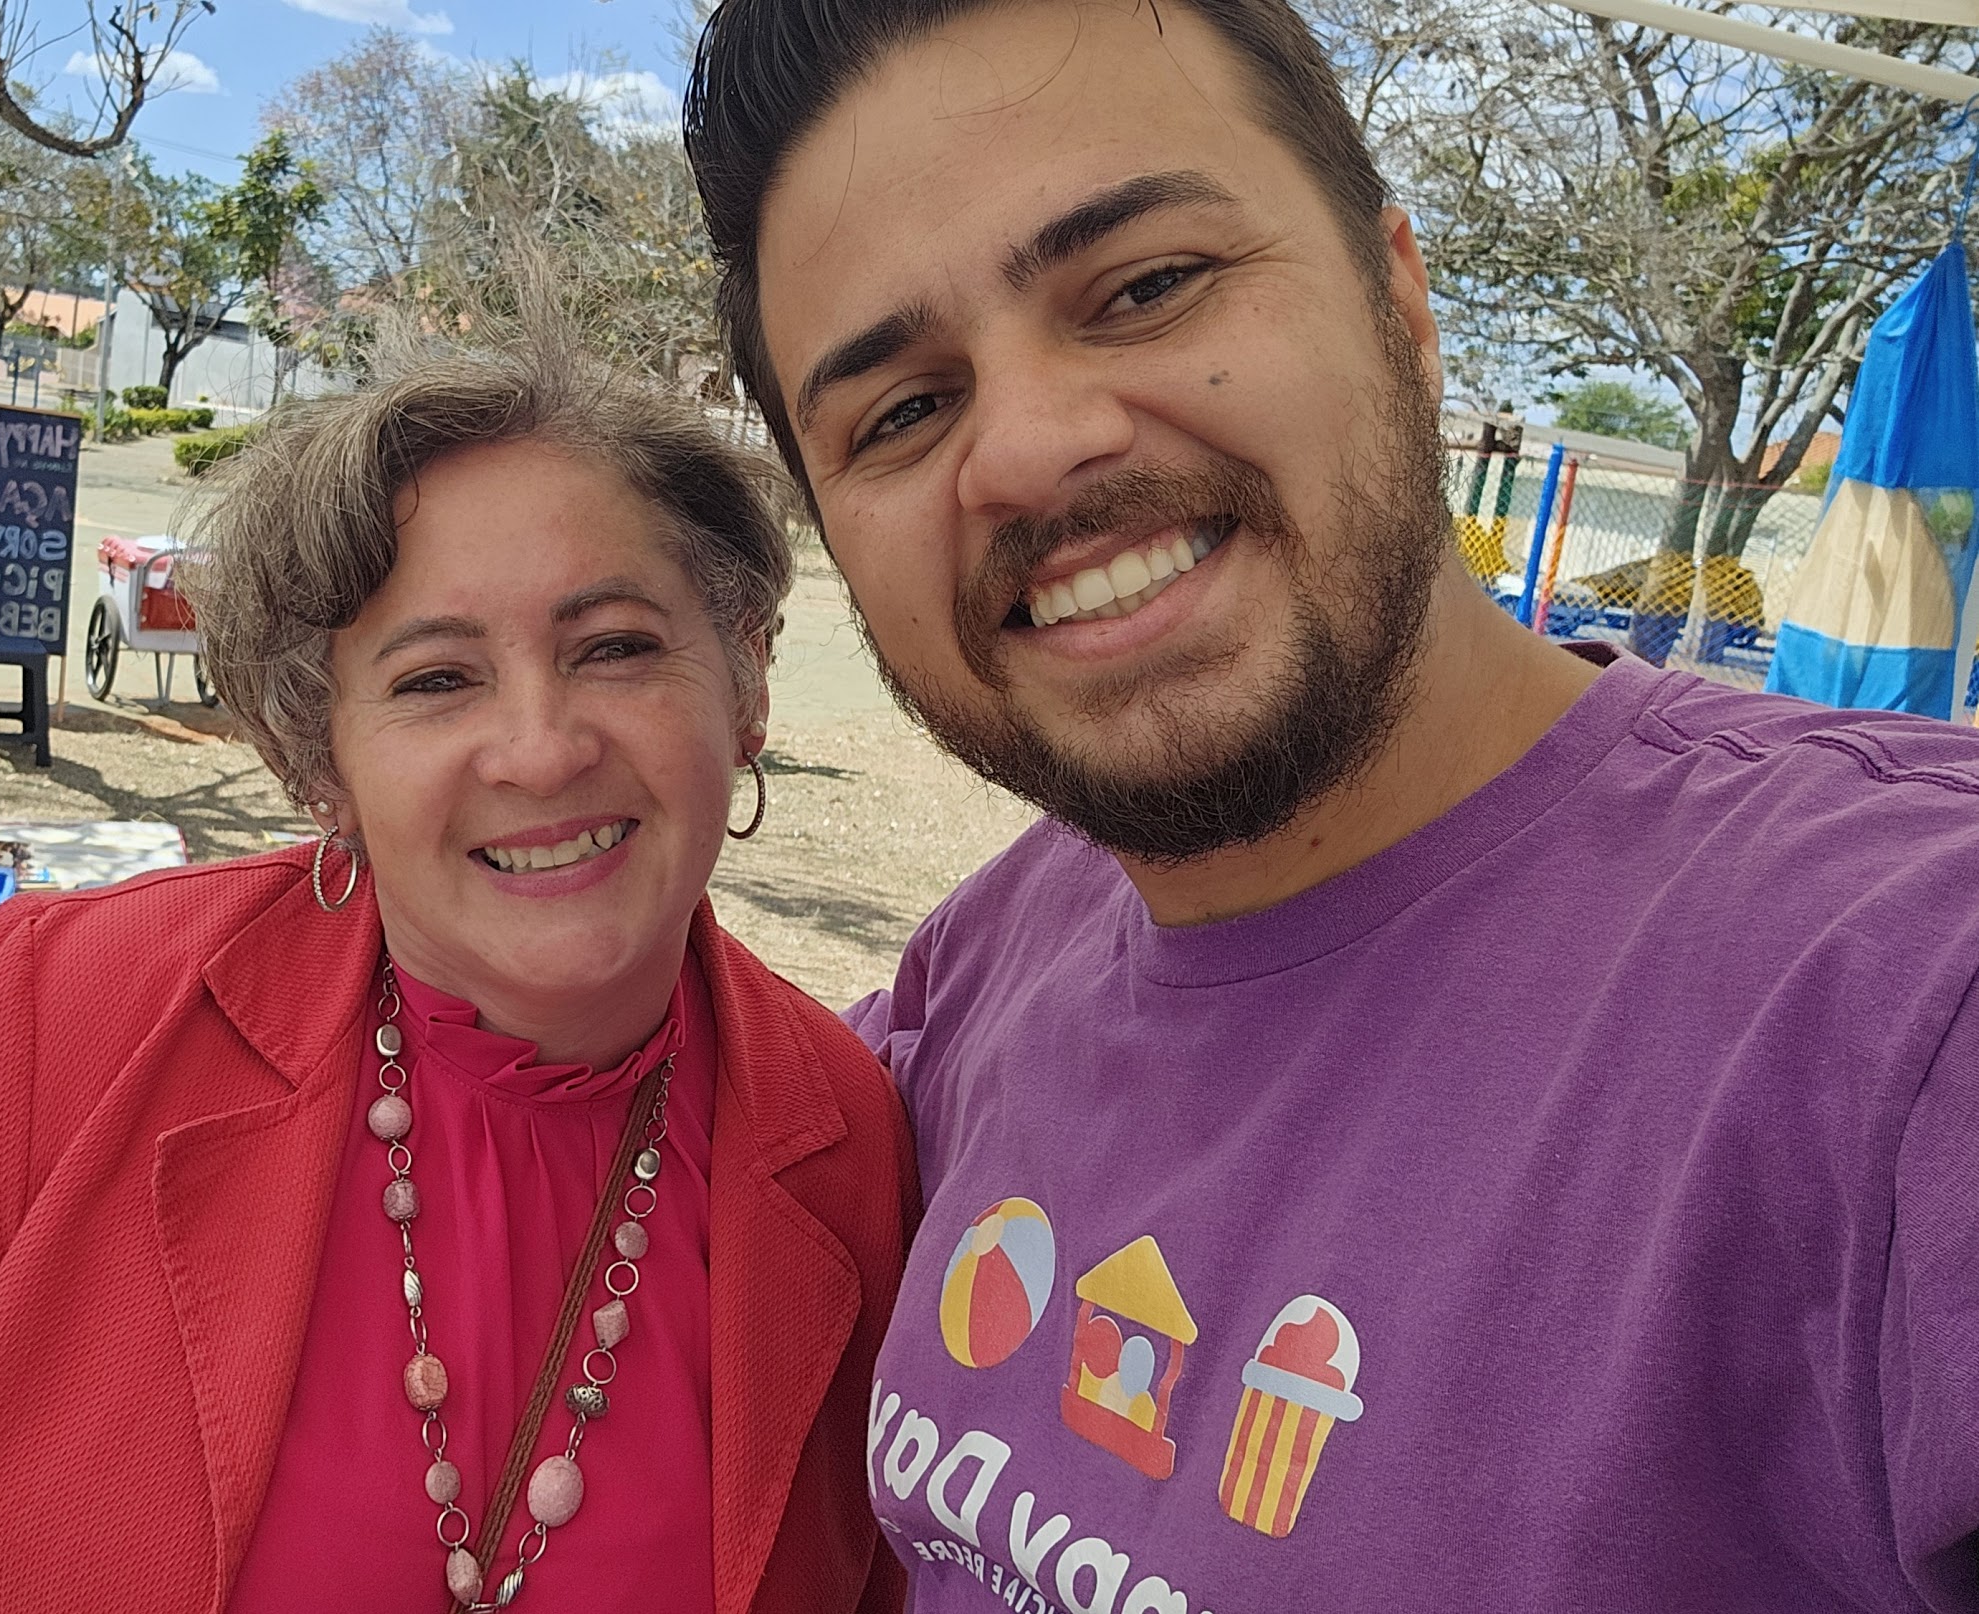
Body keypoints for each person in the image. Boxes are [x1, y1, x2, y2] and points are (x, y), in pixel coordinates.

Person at [683, 2, 1978, 1610]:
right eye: (897, 411)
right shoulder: (991, 957)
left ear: (1401, 298)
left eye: (1145, 286)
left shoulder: (1904, 995)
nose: (1024, 446)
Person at [0, 336, 917, 1612]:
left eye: (617, 646)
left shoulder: (851, 1143)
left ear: (742, 676)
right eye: (435, 676)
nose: (537, 747)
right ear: (321, 752)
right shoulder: (61, 1013)